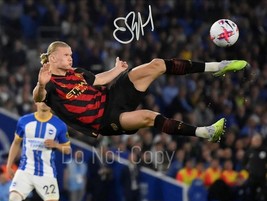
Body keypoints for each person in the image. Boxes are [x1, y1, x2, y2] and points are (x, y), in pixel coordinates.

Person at [33, 41, 249, 143]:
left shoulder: (77, 72)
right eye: (66, 55)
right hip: (105, 121)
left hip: (111, 97)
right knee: (149, 117)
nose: (71, 58)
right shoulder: (48, 82)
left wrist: (117, 70)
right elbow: (39, 98)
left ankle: (216, 67)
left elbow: (98, 80)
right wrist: (41, 85)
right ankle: (205, 133)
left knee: (155, 64)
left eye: (71, 54)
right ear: (52, 59)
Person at [6, 102, 71, 201]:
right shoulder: (24, 121)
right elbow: (16, 143)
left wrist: (56, 145)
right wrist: (9, 165)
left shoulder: (60, 125)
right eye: (41, 99)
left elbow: (68, 150)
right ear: (36, 101)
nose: (45, 102)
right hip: (25, 170)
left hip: (46, 173)